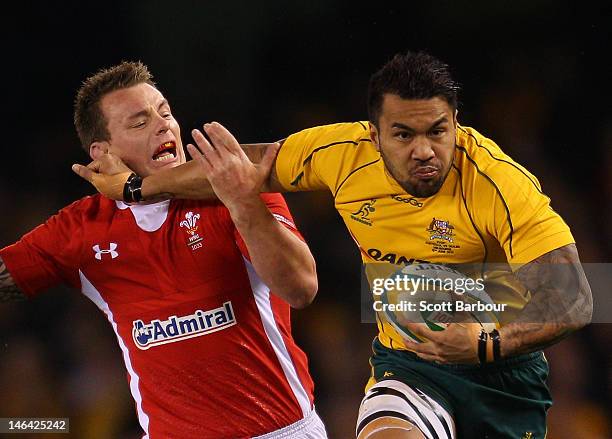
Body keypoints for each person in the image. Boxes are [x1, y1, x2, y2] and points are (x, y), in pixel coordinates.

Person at [74, 52, 593, 439]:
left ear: (455, 123)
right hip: (410, 368)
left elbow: (574, 299)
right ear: (374, 133)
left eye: (438, 131)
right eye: (403, 135)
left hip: (503, 376)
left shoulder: (501, 184)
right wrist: (137, 187)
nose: (424, 151)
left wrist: (484, 343)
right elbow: (239, 169)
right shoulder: (341, 154)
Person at [0, 61, 329, 439]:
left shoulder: (234, 187)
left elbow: (302, 288)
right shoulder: (81, 229)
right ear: (102, 151)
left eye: (166, 113)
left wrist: (242, 202)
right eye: (139, 123)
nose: (163, 125)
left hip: (278, 431)